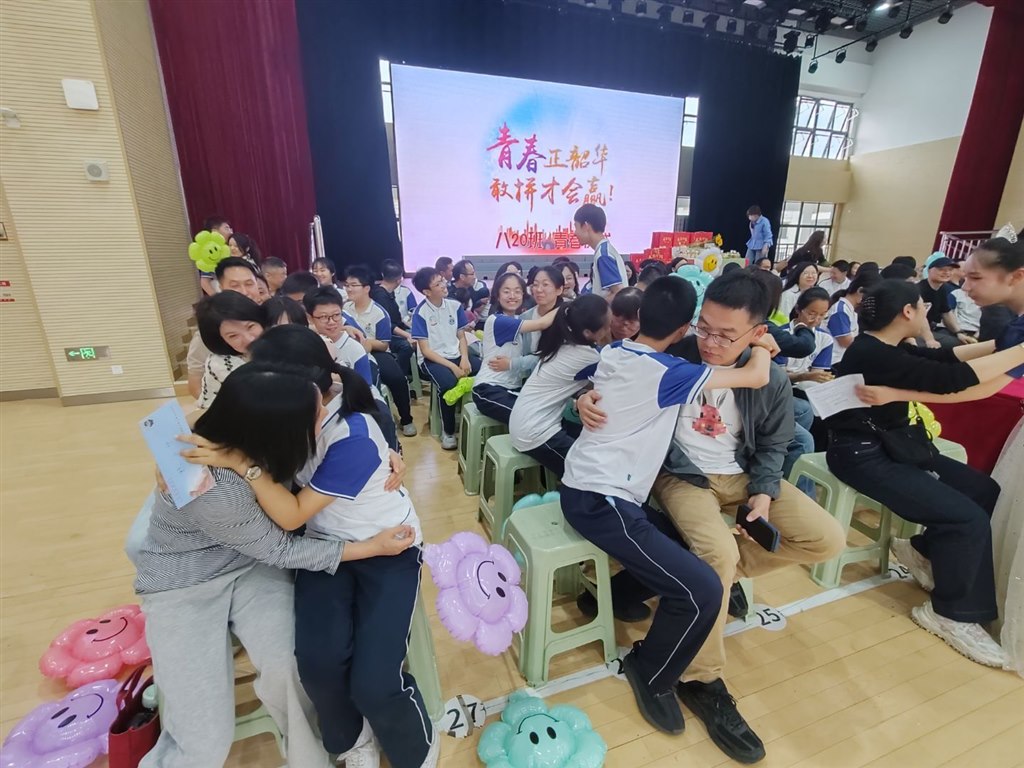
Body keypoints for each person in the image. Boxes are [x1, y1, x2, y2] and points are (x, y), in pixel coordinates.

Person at [577, 271, 844, 761]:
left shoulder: (771, 377)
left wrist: (763, 493)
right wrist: (586, 397)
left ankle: (696, 585)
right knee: (717, 556)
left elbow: (773, 443)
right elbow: (615, 375)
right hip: (683, 477)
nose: (711, 342)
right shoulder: (673, 352)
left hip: (741, 475)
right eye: (705, 328)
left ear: (757, 333)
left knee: (826, 538)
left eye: (726, 335)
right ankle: (701, 677)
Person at [143, 358, 415, 768]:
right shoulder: (215, 487)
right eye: (316, 413)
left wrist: (387, 452)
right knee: (203, 735)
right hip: (186, 580)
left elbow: (194, 415)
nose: (325, 416)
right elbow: (282, 548)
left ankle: (313, 755)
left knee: (291, 666)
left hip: (252, 565)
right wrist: (371, 547)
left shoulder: (254, 423)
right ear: (277, 429)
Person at [562, 277, 778, 742]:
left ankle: (613, 596)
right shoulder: (668, 371)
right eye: (703, 329)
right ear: (684, 329)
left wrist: (583, 397)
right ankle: (650, 671)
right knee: (702, 589)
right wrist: (763, 343)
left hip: (592, 487)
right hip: (601, 499)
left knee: (682, 544)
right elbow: (757, 375)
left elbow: (601, 383)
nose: (710, 339)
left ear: (639, 318)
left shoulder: (616, 351)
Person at [825, 279, 1024, 667]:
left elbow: (945, 359)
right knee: (967, 518)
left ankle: (922, 553)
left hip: (896, 446)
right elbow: (952, 380)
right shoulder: (874, 354)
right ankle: (951, 614)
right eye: (922, 305)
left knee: (982, 490)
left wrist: (1004, 347)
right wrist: (1018, 351)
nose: (926, 311)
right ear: (907, 312)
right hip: (863, 456)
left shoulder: (886, 346)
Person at [508, 295, 610, 476]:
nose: (610, 329)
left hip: (527, 421)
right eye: (607, 326)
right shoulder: (588, 357)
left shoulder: (563, 343)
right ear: (588, 333)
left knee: (592, 440)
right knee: (592, 473)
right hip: (535, 432)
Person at [305, 287, 398, 451]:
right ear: (311, 318)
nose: (332, 322)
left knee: (382, 417)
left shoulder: (354, 348)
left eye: (336, 315)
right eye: (324, 317)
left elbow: (365, 387)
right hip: (321, 401)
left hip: (356, 396)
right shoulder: (307, 344)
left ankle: (391, 454)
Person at [411, 267, 480, 450]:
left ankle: (473, 420)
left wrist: (464, 358)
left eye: (442, 281)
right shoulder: (420, 313)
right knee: (448, 384)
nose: (444, 285)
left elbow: (461, 337)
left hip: (456, 354)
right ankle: (448, 432)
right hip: (432, 360)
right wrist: (453, 367)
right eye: (438, 284)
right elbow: (426, 351)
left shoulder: (454, 306)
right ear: (427, 291)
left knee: (484, 371)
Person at [472, 273, 556, 423]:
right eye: (506, 291)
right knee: (531, 418)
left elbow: (534, 356)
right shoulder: (497, 320)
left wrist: (512, 363)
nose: (512, 296)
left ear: (523, 294)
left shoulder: (519, 320)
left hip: (514, 389)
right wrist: (565, 305)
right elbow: (542, 323)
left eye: (517, 291)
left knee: (544, 416)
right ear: (497, 295)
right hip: (489, 388)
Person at [344, 265, 416, 437]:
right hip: (349, 352)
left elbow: (384, 344)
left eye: (354, 285)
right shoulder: (344, 309)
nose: (349, 289)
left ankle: (406, 419)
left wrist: (366, 343)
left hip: (377, 351)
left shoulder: (379, 313)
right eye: (347, 285)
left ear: (367, 288)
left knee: (397, 379)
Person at [194, 292, 267, 409]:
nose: (249, 339)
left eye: (250, 326)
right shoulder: (221, 364)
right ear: (221, 340)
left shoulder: (270, 345)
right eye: (233, 336)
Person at [776, 287, 834, 390]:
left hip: (806, 386)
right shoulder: (782, 335)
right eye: (811, 314)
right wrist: (804, 376)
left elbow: (816, 375)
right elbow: (779, 376)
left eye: (822, 315)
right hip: (780, 387)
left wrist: (816, 377)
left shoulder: (825, 339)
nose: (816, 319)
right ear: (798, 309)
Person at [371, 259, 417, 381]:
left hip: (398, 328)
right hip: (385, 335)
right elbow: (388, 324)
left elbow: (396, 319)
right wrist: (407, 335)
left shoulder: (387, 293)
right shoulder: (380, 296)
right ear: (399, 279)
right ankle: (400, 376)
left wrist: (408, 326)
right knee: (405, 346)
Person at [826, 271, 880, 366]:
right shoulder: (840, 311)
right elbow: (846, 342)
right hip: (835, 361)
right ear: (860, 291)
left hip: (843, 359)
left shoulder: (850, 309)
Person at [574, 204, 627, 298]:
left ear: (586, 226)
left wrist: (596, 306)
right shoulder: (604, 250)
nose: (575, 233)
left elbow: (618, 293)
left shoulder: (603, 255)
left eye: (576, 227)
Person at [918, 256, 973, 348]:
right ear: (929, 270)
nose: (947, 272)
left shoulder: (942, 289)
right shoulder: (919, 289)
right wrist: (929, 340)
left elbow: (946, 312)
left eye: (950, 270)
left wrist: (959, 332)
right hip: (913, 332)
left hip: (930, 329)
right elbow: (920, 317)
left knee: (960, 343)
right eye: (941, 269)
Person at [198, 216, 233, 296]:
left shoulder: (230, 248)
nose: (231, 232)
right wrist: (217, 298)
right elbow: (204, 281)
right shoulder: (210, 252)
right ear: (215, 232)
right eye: (226, 228)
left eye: (230, 229)